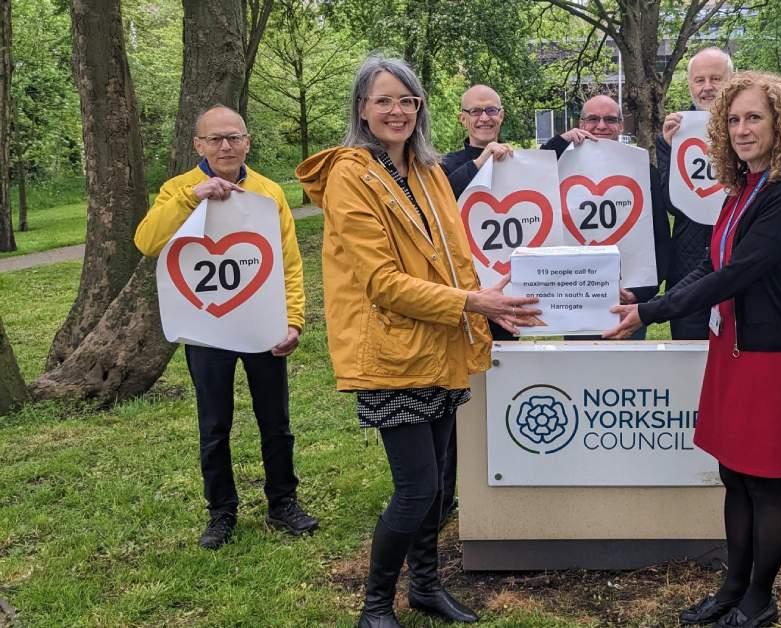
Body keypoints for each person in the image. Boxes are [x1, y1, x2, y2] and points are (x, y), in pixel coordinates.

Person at [296, 57, 540, 628]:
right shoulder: (351, 175)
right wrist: (473, 303)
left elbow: (452, 259)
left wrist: (489, 287)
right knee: (416, 489)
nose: (397, 111)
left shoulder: (429, 170)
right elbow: (380, 282)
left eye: (407, 100)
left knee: (439, 488)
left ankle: (426, 588)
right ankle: (375, 606)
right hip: (390, 351)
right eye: (383, 101)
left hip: (442, 344)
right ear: (362, 108)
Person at [605, 71, 781, 628]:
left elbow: (737, 274)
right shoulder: (742, 188)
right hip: (730, 350)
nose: (742, 129)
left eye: (754, 118)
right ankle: (730, 589)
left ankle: (759, 599)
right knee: (731, 474)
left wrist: (650, 314)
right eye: (734, 119)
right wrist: (650, 296)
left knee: (762, 482)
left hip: (767, 355)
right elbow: (708, 263)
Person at [133, 104, 318, 550]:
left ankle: (283, 503)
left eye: (234, 137)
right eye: (214, 139)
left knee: (275, 421)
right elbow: (148, 242)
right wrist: (190, 198)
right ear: (198, 144)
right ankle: (221, 513)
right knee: (214, 425)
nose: (225, 146)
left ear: (247, 142)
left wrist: (293, 320)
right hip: (206, 327)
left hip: (261, 324)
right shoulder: (178, 189)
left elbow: (289, 264)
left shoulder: (269, 192)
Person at [438, 84, 519, 528]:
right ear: (462, 118)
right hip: (466, 300)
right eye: (476, 112)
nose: (485, 118)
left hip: (512, 297)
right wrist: (480, 163)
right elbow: (439, 204)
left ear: (501, 114)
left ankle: (512, 473)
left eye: (492, 110)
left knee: (512, 385)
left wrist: (568, 142)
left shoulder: (520, 162)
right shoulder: (445, 165)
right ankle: (449, 494)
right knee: (460, 399)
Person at [541, 94, 671, 339]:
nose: (601, 126)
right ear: (580, 124)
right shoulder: (561, 165)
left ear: (621, 126)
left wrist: (640, 292)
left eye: (610, 119)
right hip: (577, 297)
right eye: (593, 119)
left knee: (627, 372)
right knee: (577, 371)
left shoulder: (642, 169)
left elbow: (660, 236)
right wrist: (560, 141)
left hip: (625, 299)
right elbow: (534, 171)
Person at [655, 47, 735, 340]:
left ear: (732, 79)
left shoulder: (749, 131)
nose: (708, 87)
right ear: (690, 84)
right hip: (688, 266)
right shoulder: (676, 133)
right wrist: (666, 147)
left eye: (716, 78)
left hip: (737, 261)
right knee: (688, 361)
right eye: (699, 80)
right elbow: (670, 205)